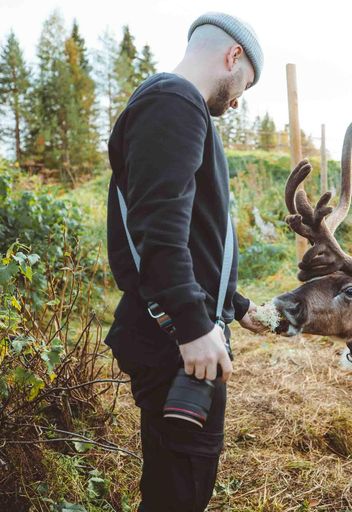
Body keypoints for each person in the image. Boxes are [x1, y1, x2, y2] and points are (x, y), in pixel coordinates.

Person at [104, 12, 266, 511]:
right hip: (174, 339)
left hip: (179, 329)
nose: (238, 99)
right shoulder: (173, 102)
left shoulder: (174, 106)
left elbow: (192, 234)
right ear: (232, 56)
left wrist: (233, 304)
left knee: (171, 480)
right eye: (244, 85)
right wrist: (195, 326)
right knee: (182, 490)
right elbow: (158, 229)